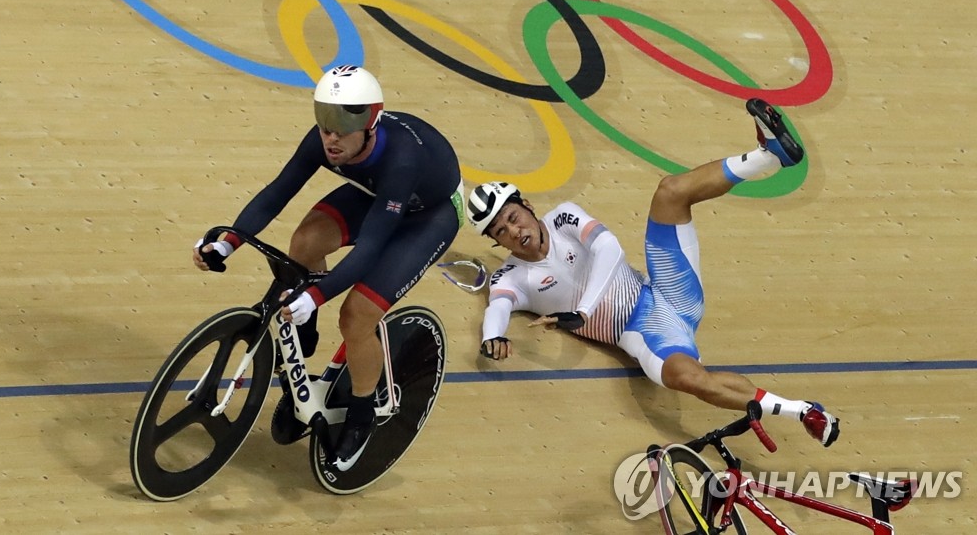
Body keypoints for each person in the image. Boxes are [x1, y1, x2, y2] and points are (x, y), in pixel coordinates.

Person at [467, 99, 840, 447]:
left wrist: (583, 311)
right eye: (501, 231)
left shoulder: (563, 217)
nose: (514, 231)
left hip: (666, 289)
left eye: (513, 217)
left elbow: (610, 249)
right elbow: (497, 307)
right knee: (688, 379)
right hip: (641, 333)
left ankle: (768, 156)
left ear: (527, 205)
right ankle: (803, 411)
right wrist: (491, 338)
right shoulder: (511, 277)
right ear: (497, 242)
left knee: (670, 191)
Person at [193, 65, 465, 469]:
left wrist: (315, 296)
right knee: (305, 243)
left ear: (370, 125)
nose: (331, 138)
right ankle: (305, 340)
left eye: (342, 128)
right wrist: (227, 242)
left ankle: (362, 412)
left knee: (356, 316)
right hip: (377, 195)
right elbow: (277, 193)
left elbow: (370, 247)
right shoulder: (325, 140)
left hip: (428, 216)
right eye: (324, 124)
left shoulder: (403, 159)